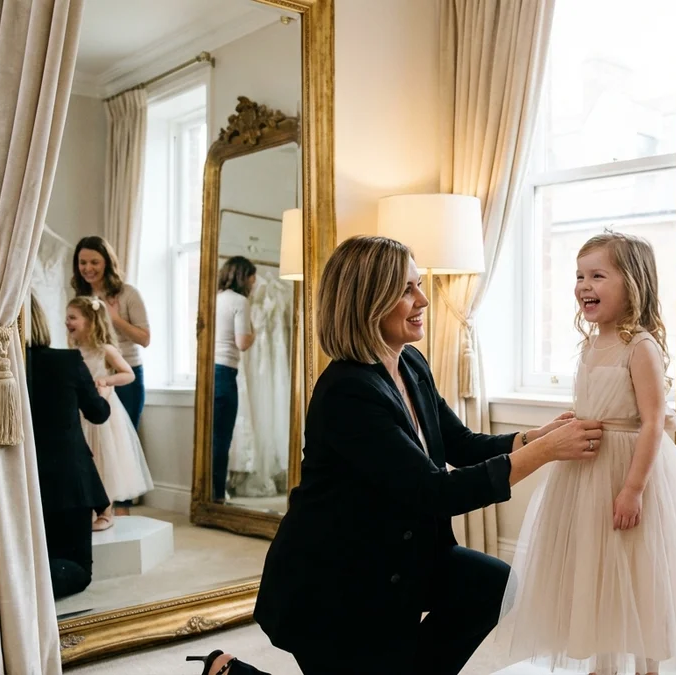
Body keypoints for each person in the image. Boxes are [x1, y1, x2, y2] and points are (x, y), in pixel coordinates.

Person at [250, 235, 603, 675]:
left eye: (418, 285)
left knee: (491, 584)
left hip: (400, 560)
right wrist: (547, 452)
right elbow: (436, 491)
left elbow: (460, 444)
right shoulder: (347, 391)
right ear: (368, 300)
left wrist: (533, 438)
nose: (422, 300)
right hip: (335, 585)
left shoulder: (410, 363)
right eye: (406, 289)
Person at [498, 232, 676, 675]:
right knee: (594, 566)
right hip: (585, 471)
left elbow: (653, 421)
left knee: (637, 568)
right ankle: (603, 661)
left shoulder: (641, 346)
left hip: (630, 472)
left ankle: (646, 666)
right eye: (579, 276)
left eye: (597, 275)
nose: (583, 285)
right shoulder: (590, 344)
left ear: (632, 283)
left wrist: (632, 488)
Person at [25, 293, 111, 598]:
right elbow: (97, 414)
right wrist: (101, 395)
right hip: (67, 483)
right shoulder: (66, 362)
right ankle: (24, 587)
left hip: (19, 484)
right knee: (77, 570)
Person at [72, 236, 150, 515]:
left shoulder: (128, 294)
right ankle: (96, 511)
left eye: (94, 261)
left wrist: (112, 319)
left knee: (120, 449)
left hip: (125, 374)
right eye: (83, 262)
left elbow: (145, 338)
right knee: (92, 445)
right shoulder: (80, 297)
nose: (88, 268)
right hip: (89, 376)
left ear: (107, 262)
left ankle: (122, 514)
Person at [66, 295, 154, 531]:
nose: (67, 322)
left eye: (73, 317)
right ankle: (87, 508)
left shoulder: (104, 350)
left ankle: (106, 511)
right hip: (81, 413)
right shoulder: (73, 351)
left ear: (91, 321)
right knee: (86, 461)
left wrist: (106, 380)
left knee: (105, 460)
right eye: (67, 317)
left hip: (104, 413)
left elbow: (128, 374)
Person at [213, 256, 257, 502]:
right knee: (222, 437)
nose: (254, 281)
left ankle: (209, 491)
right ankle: (217, 493)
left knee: (211, 436)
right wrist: (254, 331)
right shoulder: (240, 301)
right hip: (225, 372)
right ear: (244, 276)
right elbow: (242, 342)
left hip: (209, 372)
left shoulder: (214, 299)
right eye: (252, 276)